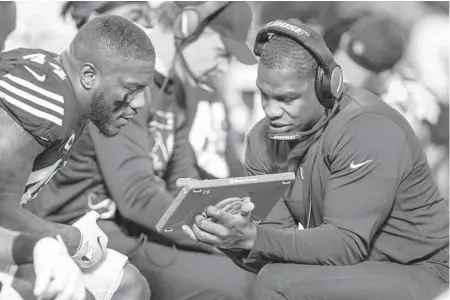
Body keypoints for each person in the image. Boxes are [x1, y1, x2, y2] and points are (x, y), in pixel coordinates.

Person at [183, 20, 449, 300]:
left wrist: (252, 238)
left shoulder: (369, 127)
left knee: (276, 282)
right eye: (264, 95)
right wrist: (226, 236)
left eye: (287, 99)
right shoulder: (261, 139)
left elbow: (345, 244)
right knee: (271, 275)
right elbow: (275, 247)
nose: (271, 110)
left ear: (327, 88)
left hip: (426, 271)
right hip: (363, 267)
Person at [28, 2, 257, 300]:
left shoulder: (176, 87)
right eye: (221, 51)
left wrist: (227, 222)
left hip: (135, 228)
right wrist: (215, 239)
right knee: (243, 284)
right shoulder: (123, 78)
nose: (223, 67)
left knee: (254, 269)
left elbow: (183, 181)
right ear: (186, 27)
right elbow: (138, 196)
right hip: (85, 230)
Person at [0, 15, 155, 300]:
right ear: (88, 76)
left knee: (130, 284)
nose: (140, 103)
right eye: (132, 89)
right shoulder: (44, 101)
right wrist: (74, 240)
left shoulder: (68, 89)